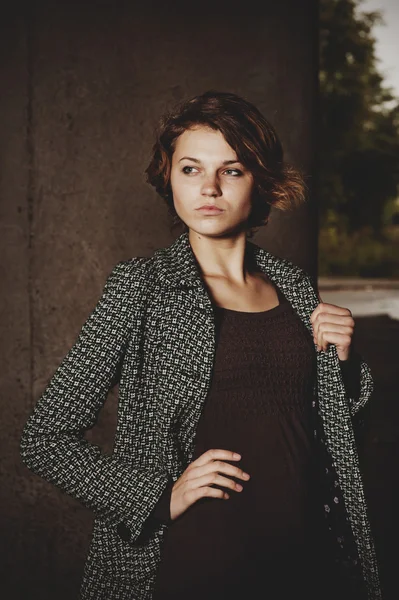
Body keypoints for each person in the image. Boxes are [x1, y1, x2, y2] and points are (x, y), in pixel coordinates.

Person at [20, 90, 382, 600]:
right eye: (191, 169)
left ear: (261, 181)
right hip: (193, 564)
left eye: (231, 171)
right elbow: (44, 438)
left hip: (304, 565)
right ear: (168, 178)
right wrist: (158, 498)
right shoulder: (141, 287)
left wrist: (342, 367)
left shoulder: (297, 289)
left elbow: (340, 442)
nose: (209, 187)